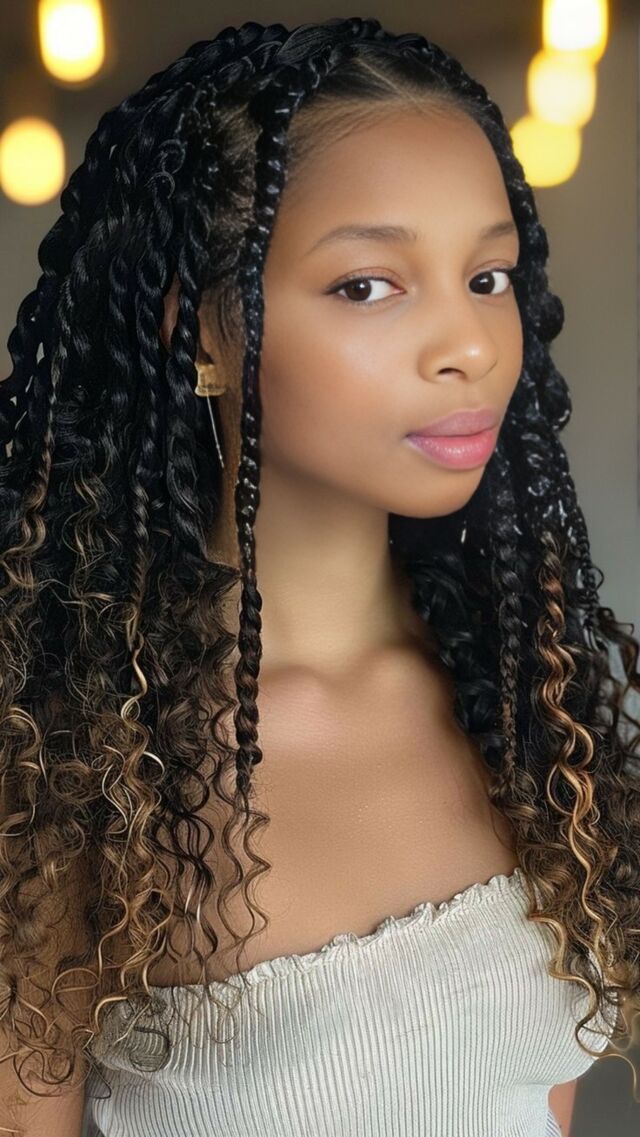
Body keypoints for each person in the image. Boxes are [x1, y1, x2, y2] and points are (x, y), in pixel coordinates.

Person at [0, 16, 637, 1137]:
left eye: (487, 276)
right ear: (199, 333)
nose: (471, 345)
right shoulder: (75, 768)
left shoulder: (539, 712)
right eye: (368, 286)